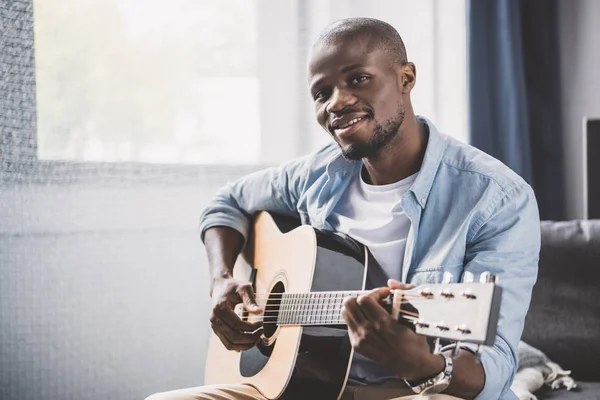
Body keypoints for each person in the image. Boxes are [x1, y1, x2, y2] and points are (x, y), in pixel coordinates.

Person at [147, 17, 540, 400]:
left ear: (406, 78)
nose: (337, 102)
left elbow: (492, 368)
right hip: (300, 384)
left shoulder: (496, 197)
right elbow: (227, 201)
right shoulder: (317, 174)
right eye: (321, 93)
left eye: (358, 79)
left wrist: (423, 364)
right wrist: (221, 280)